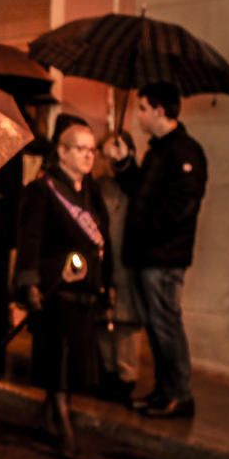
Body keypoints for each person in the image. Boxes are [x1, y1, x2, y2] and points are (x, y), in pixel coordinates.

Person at [103, 82, 207, 418]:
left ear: (161, 110)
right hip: (149, 256)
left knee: (165, 325)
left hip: (163, 259)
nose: (139, 115)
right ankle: (165, 392)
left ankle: (179, 393)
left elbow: (179, 208)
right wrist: (124, 163)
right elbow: (140, 193)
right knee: (155, 325)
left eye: (143, 108)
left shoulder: (184, 152)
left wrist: (146, 233)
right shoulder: (158, 151)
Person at [15, 122, 111, 459]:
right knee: (56, 356)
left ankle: (51, 413)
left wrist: (107, 283)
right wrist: (30, 283)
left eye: (91, 150)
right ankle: (61, 417)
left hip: (85, 289)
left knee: (76, 358)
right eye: (81, 149)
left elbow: (104, 237)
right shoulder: (43, 190)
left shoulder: (91, 190)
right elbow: (30, 239)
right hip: (56, 287)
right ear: (62, 151)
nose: (88, 156)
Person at [95, 131, 142, 404]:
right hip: (103, 255)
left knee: (126, 316)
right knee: (102, 312)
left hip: (127, 254)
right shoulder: (99, 185)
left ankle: (126, 374)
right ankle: (108, 370)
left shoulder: (134, 182)